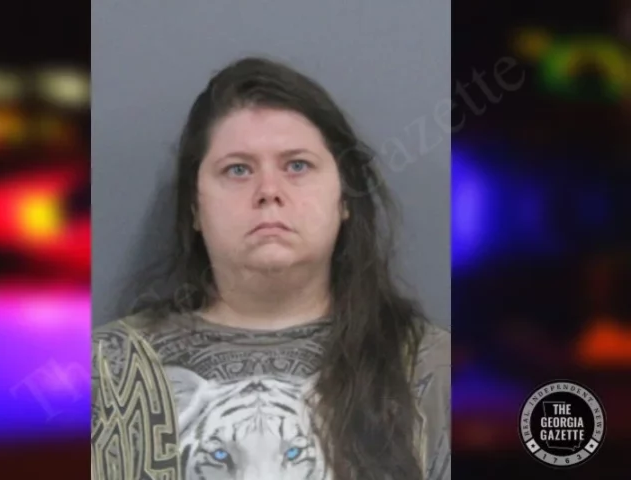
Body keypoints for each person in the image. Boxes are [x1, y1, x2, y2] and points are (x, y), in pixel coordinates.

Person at [92, 56, 450, 480]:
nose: (268, 191)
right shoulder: (106, 373)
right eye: (238, 169)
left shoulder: (433, 370)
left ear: (345, 198)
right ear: (194, 208)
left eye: (297, 165)